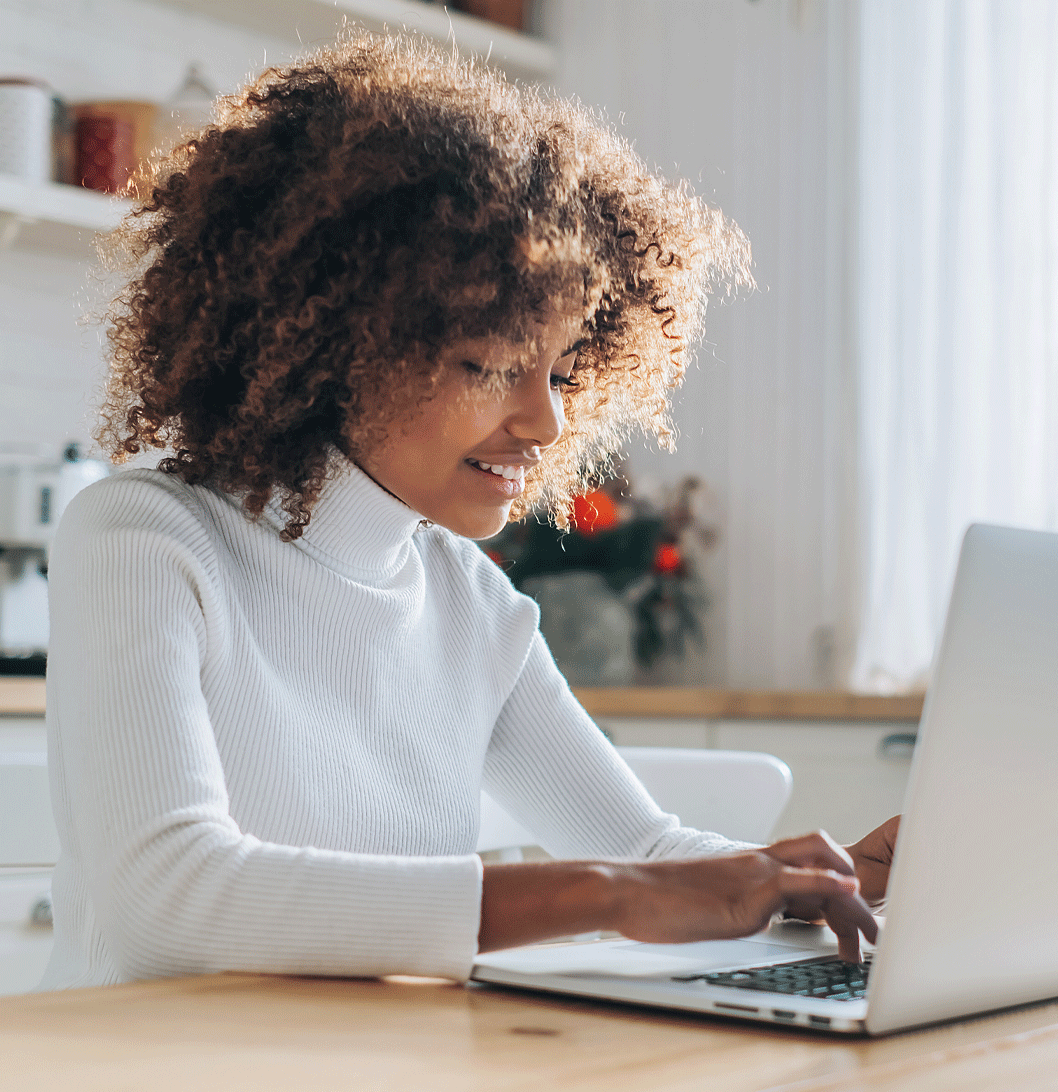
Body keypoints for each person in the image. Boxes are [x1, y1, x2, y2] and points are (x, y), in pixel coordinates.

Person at [42, 32, 897, 991]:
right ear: (336, 347)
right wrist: (608, 894)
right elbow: (170, 902)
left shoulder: (468, 603)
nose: (548, 419)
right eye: (490, 366)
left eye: (564, 369)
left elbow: (648, 849)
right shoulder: (146, 540)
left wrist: (808, 880)